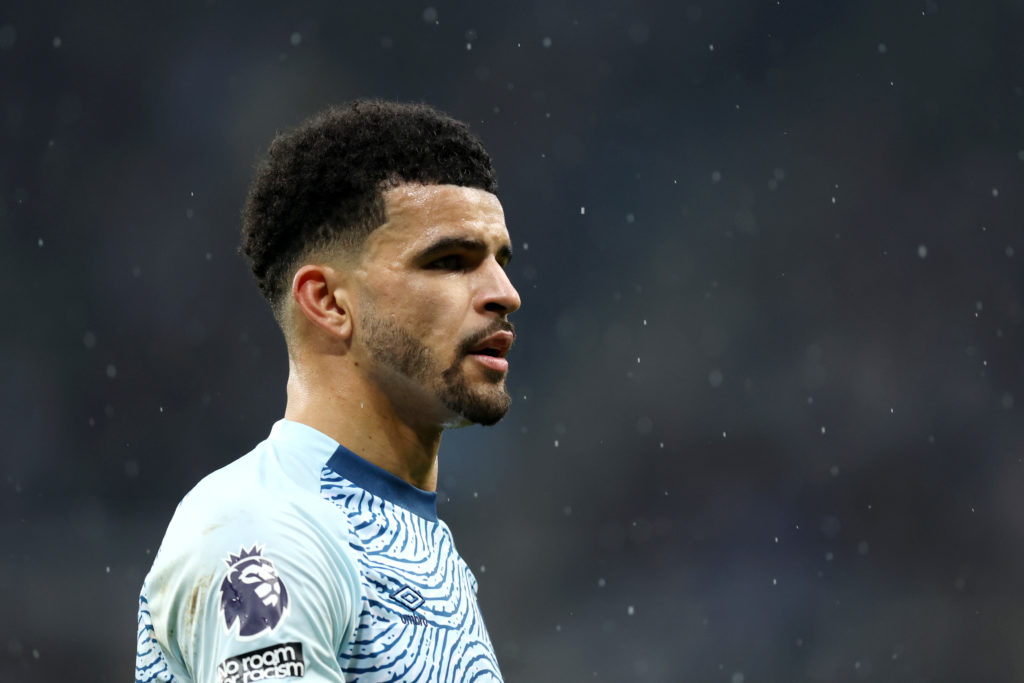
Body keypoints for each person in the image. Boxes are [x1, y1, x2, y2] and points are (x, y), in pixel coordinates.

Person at [135, 100, 521, 683]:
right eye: (449, 260)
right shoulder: (264, 533)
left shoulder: (411, 539)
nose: (505, 292)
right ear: (328, 302)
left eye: (500, 260)